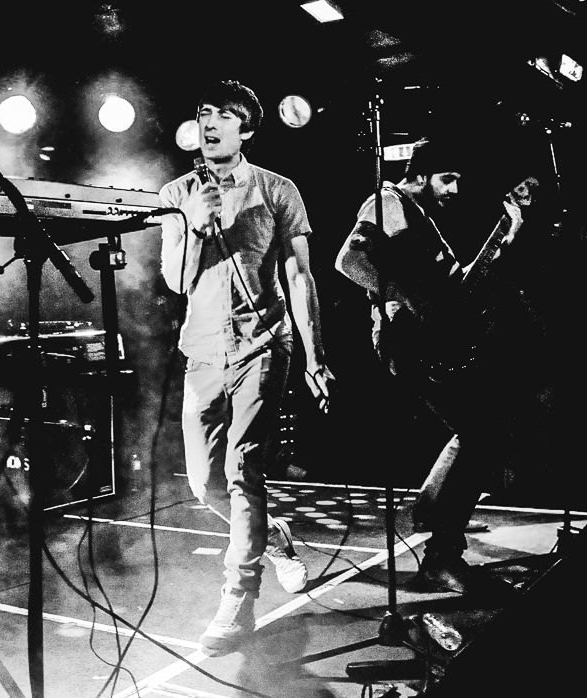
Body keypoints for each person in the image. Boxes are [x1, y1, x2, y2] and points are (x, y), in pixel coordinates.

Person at [159, 79, 335, 655]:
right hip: (203, 351)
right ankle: (275, 536)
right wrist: (196, 224)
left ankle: (238, 600)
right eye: (203, 112)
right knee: (204, 481)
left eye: (224, 115)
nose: (210, 122)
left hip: (263, 345)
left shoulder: (279, 189)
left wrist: (315, 354)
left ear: (247, 129)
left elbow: (300, 275)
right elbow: (177, 281)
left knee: (241, 469)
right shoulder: (176, 192)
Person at [334, 137, 532, 594]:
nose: (456, 190)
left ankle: (431, 513)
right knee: (482, 431)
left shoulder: (425, 223)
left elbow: (461, 287)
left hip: (433, 339)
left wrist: (506, 235)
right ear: (420, 175)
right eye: (448, 179)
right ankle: (441, 555)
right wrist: (407, 300)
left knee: (481, 428)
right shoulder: (388, 199)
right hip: (407, 340)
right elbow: (349, 260)